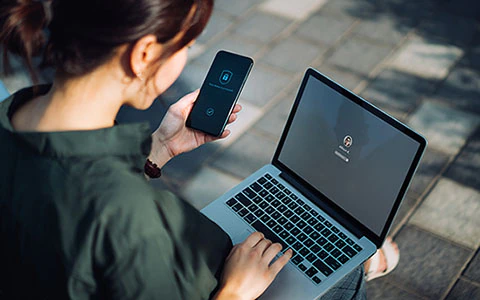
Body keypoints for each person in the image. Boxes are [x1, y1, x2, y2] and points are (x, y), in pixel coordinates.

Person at [0, 0, 398, 299]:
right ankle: (363, 265)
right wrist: (236, 291)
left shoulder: (14, 110)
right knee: (344, 278)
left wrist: (159, 148)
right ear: (142, 55)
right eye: (186, 43)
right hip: (218, 281)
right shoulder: (126, 217)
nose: (188, 55)